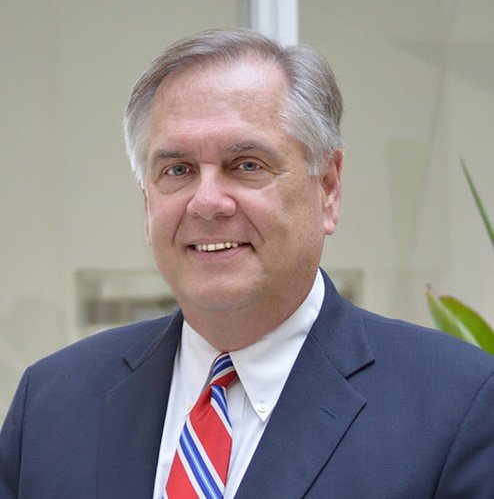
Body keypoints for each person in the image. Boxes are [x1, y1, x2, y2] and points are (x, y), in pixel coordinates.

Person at [1, 28, 493, 499]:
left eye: (247, 165)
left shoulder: (457, 406)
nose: (207, 203)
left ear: (328, 188)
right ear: (147, 202)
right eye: (177, 169)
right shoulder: (50, 405)